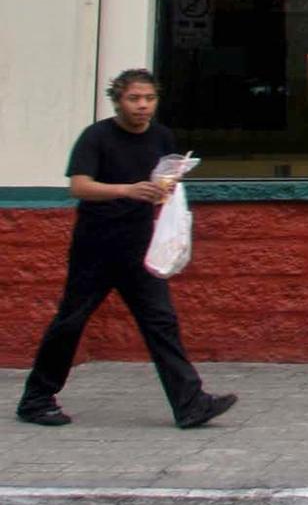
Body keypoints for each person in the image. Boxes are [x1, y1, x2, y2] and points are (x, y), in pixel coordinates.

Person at [16, 70, 236, 430]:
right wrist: (128, 190)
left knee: (161, 322)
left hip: (140, 247)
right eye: (134, 99)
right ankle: (36, 400)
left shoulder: (162, 137)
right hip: (96, 246)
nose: (143, 106)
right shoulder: (97, 137)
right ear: (118, 100)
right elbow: (79, 186)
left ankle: (190, 404)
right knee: (70, 322)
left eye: (149, 98)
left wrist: (165, 188)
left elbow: (161, 183)